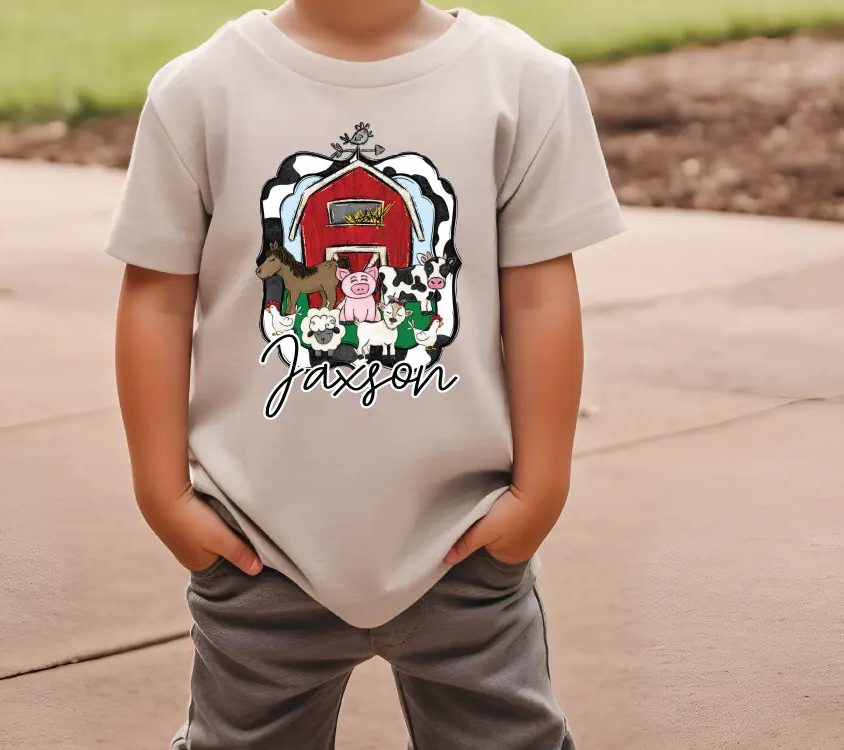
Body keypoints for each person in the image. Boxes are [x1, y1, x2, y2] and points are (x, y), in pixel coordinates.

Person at [107, 1, 625, 747]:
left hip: (465, 541)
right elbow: (156, 297)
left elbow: (542, 297)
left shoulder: (522, 84)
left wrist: (541, 490)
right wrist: (163, 494)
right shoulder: (200, 91)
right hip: (257, 545)